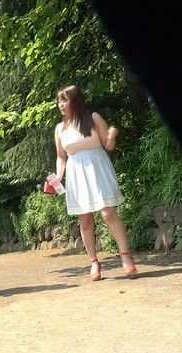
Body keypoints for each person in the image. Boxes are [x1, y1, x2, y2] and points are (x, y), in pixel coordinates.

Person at [53, 85, 137, 281]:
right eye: (59, 101)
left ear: (76, 100)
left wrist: (111, 137)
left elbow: (108, 146)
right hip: (75, 173)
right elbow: (61, 157)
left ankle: (125, 255)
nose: (61, 105)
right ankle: (94, 262)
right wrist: (58, 177)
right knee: (85, 219)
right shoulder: (59, 129)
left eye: (64, 100)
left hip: (97, 167)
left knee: (108, 213)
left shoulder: (93, 118)